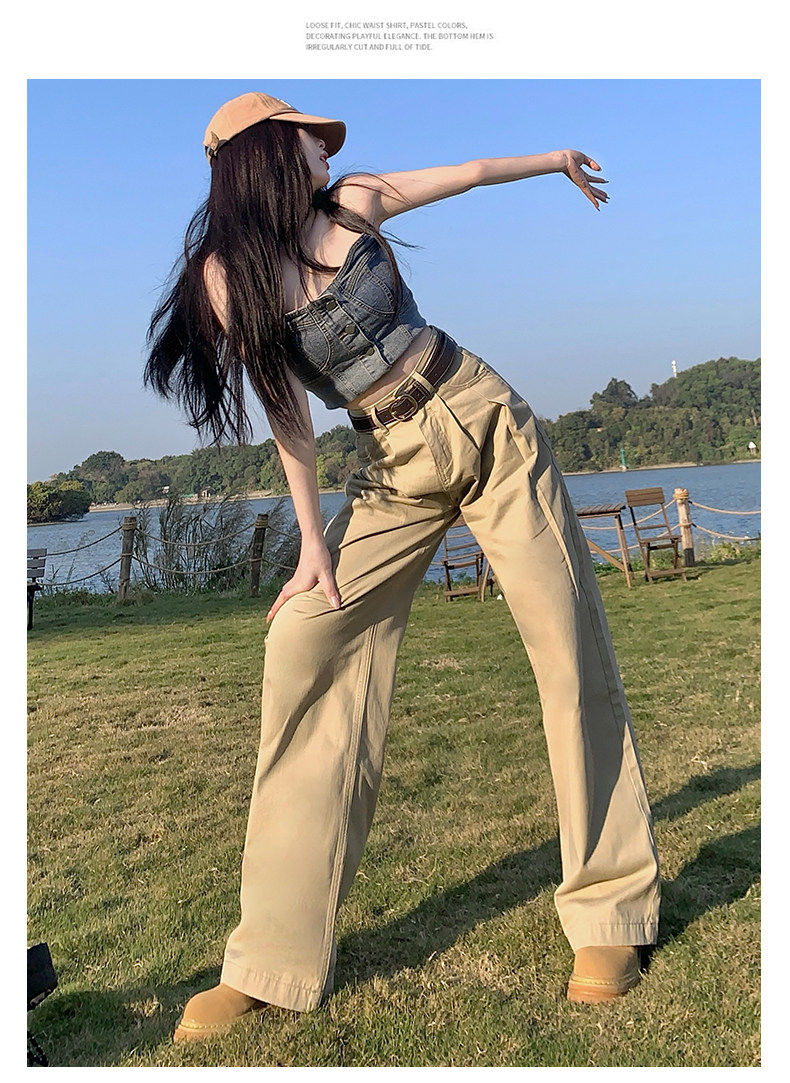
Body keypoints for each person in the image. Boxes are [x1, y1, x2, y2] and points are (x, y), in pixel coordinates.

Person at [145, 91, 661, 1044]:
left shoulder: (354, 201)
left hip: (484, 416)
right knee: (304, 643)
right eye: (310, 136)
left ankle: (610, 911)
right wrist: (312, 545)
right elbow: (287, 415)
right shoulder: (227, 275)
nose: (325, 147)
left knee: (566, 649)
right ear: (264, 152)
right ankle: (270, 958)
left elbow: (467, 174)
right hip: (389, 463)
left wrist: (552, 159)